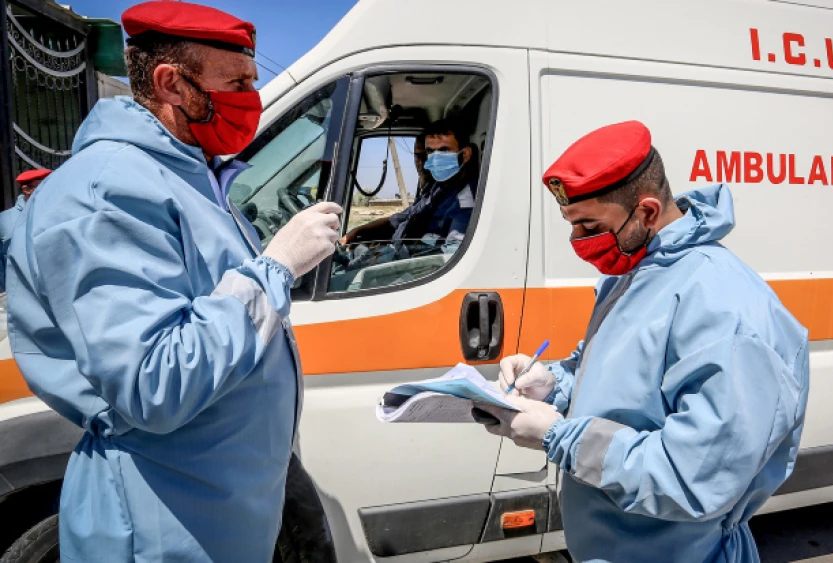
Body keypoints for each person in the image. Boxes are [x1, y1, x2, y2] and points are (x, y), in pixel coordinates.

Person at [6, 2, 341, 562]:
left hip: (211, 512)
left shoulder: (184, 174)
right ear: (172, 83)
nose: (249, 98)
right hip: (165, 525)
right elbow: (153, 381)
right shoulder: (107, 191)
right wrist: (275, 269)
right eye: (235, 82)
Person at [476, 121, 810, 563]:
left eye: (588, 225)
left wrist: (558, 436)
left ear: (647, 212)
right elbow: (619, 384)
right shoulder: (636, 271)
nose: (577, 240)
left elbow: (693, 476)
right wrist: (553, 383)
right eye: (571, 225)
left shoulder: (723, 303)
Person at [341, 118, 476, 245]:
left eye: (444, 150)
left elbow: (449, 255)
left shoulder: (466, 202)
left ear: (465, 154)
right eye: (430, 151)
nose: (435, 158)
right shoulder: (435, 188)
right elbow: (399, 219)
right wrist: (358, 230)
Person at [0, 168, 50, 293]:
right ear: (27, 190)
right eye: (44, 185)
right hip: (18, 292)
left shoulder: (58, 214)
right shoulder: (5, 220)